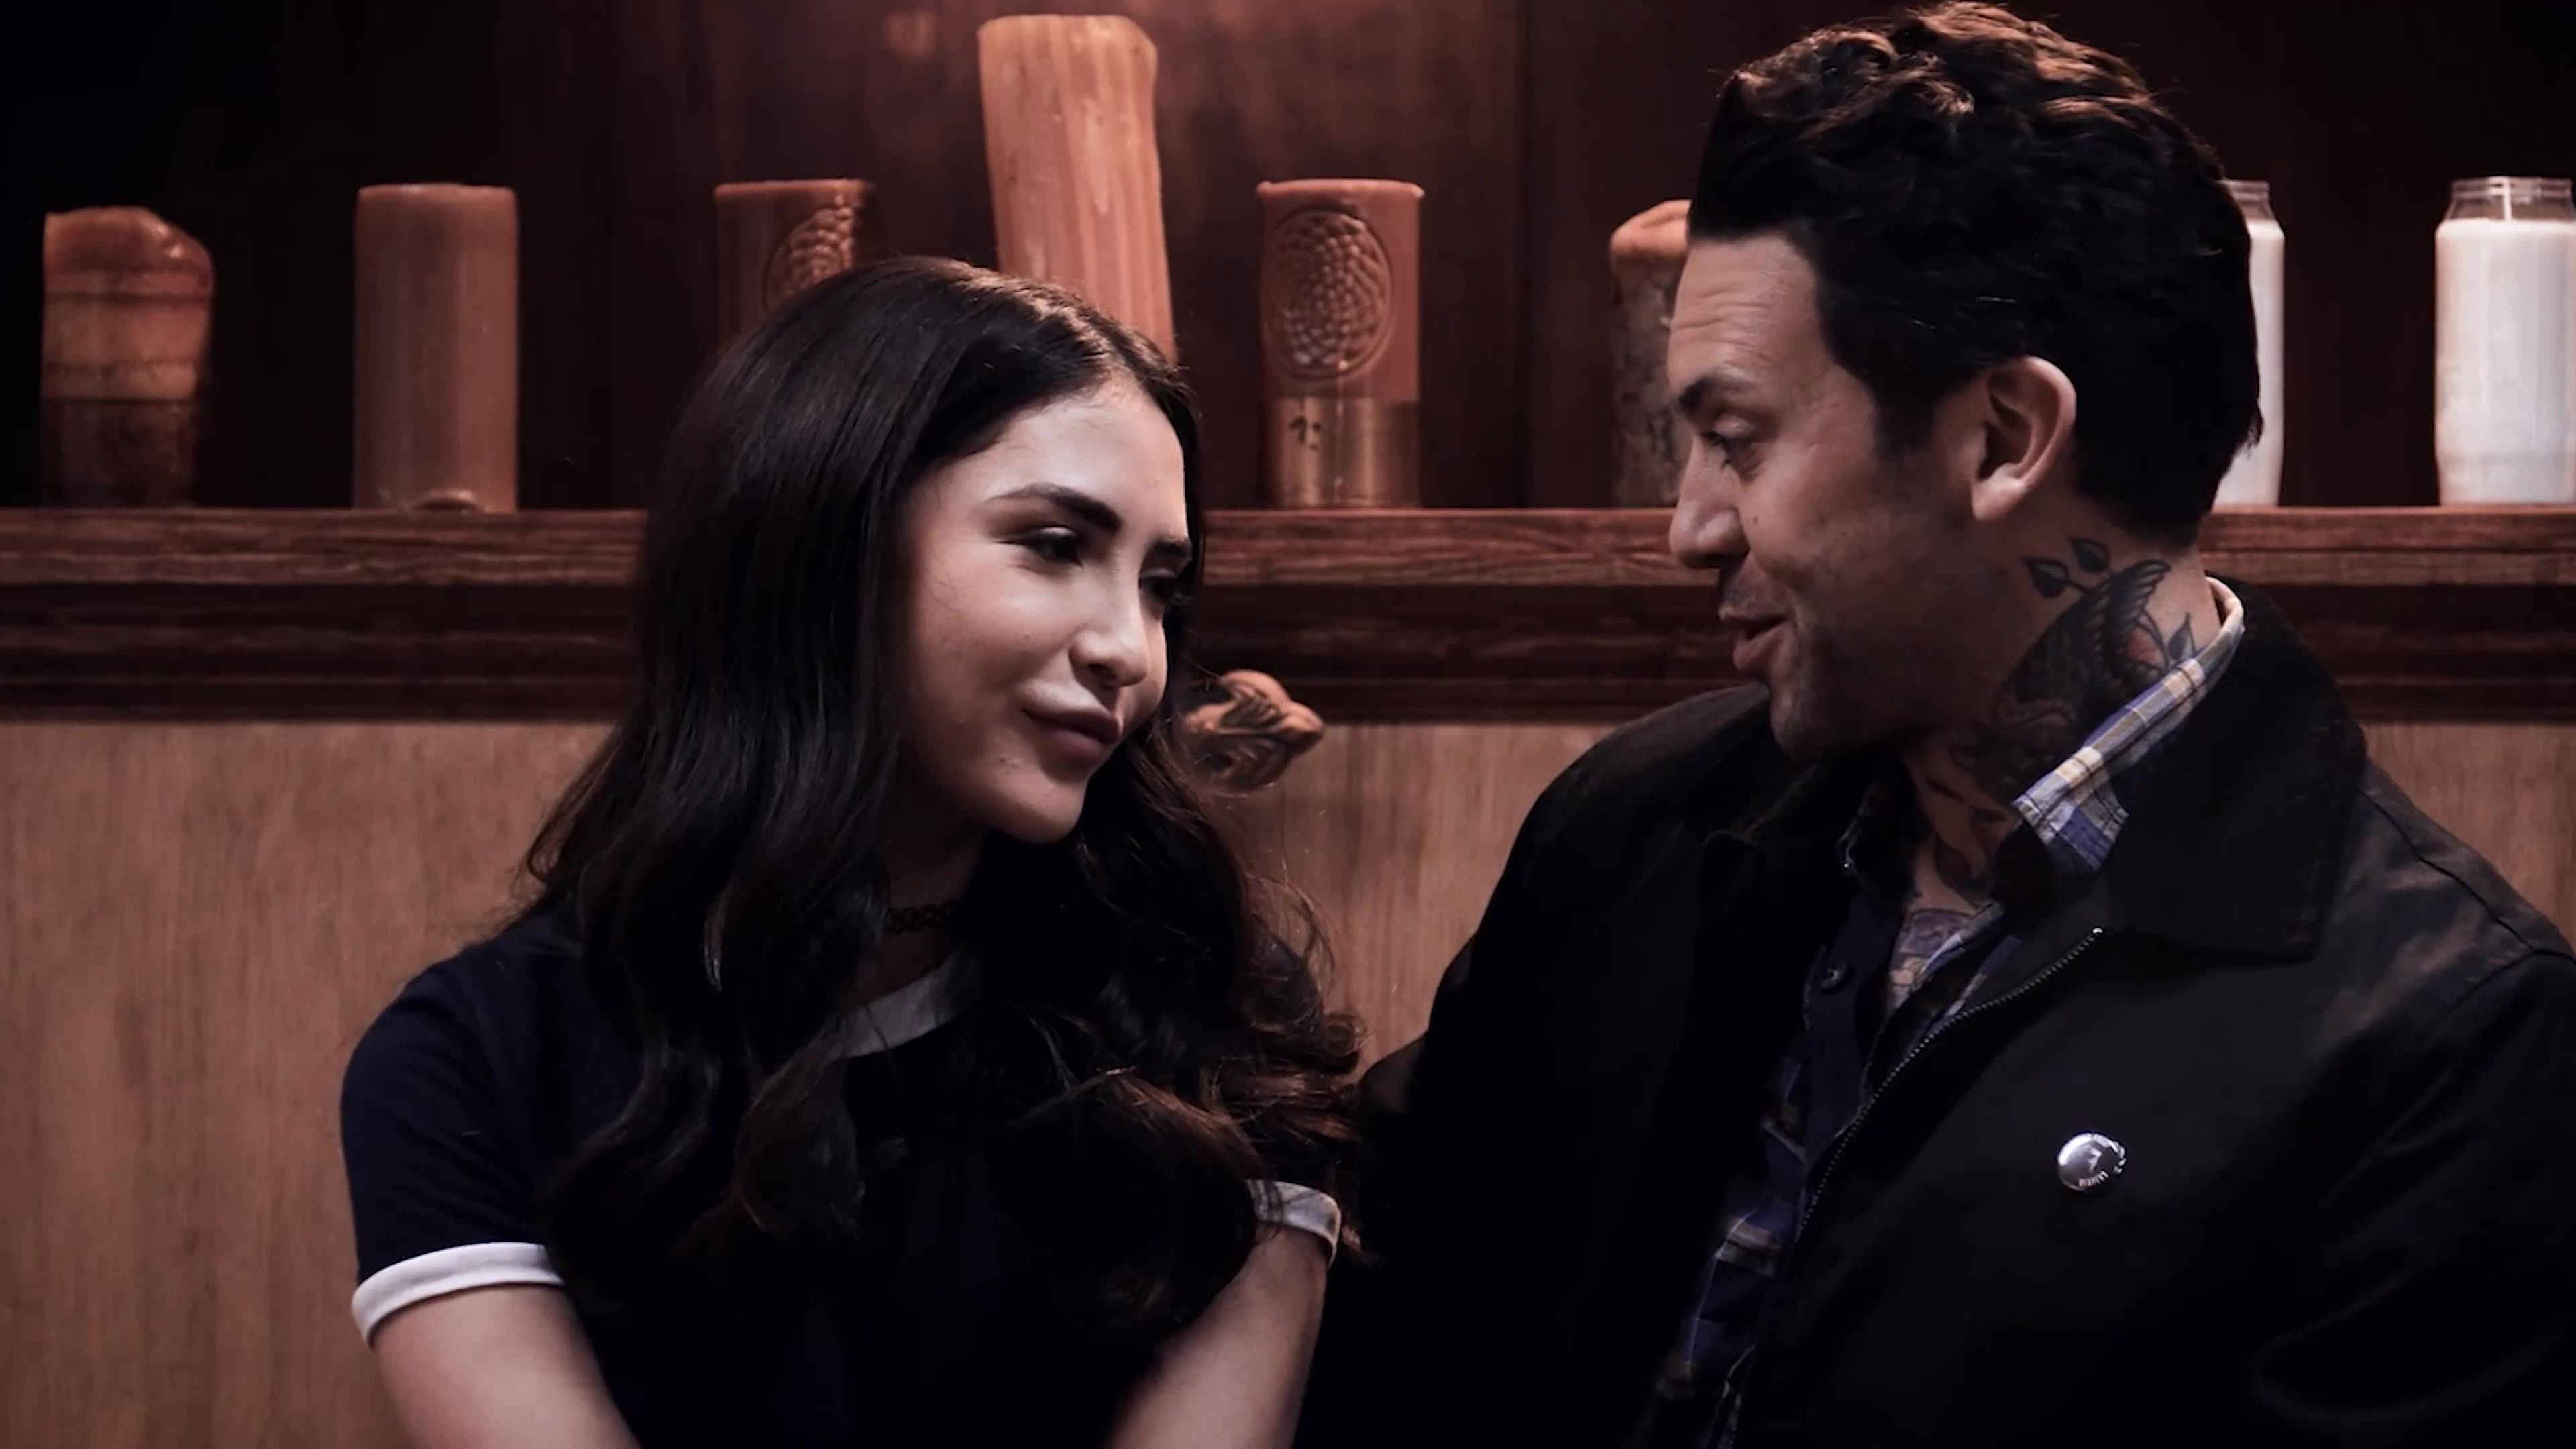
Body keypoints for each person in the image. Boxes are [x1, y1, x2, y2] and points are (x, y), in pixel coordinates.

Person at [1305, 5, 2576, 1446]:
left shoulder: (2450, 1044)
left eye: (1736, 440)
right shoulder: (1629, 832)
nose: (1687, 527)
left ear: (2004, 438)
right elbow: (1377, 1298)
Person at [340, 258, 1357, 1448]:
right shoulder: (477, 1058)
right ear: (828, 546)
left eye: (1161, 588)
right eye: (1052, 544)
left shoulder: (1217, 1024)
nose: (1131, 649)